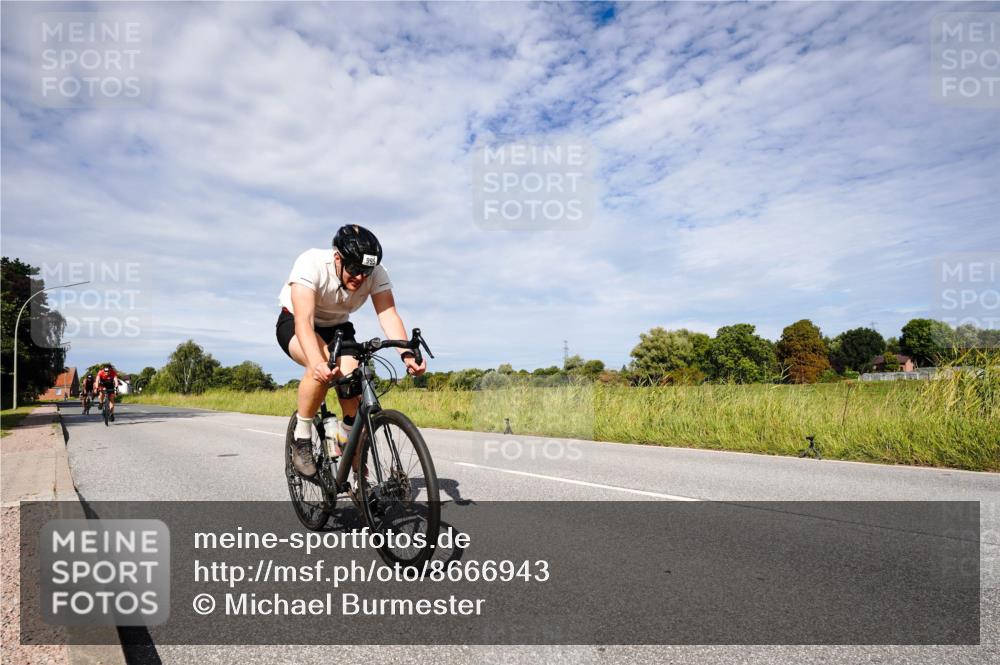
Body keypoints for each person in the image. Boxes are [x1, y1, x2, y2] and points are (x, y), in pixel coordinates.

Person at [276, 224, 426, 480]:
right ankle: (301, 440)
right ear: (338, 258)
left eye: (366, 272)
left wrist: (407, 354)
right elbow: (304, 320)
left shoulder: (375, 272)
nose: (360, 278)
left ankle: (351, 459)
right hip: (298, 322)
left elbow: (388, 314)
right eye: (355, 270)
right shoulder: (311, 262)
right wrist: (316, 362)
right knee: (322, 367)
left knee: (353, 389)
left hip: (338, 328)